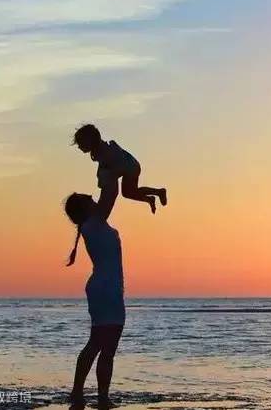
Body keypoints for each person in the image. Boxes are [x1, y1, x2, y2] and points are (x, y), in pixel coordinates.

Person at [64, 176, 124, 409]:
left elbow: (110, 194)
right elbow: (112, 193)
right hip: (107, 289)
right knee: (103, 346)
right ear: (85, 208)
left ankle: (84, 393)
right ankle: (96, 396)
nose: (93, 198)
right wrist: (112, 170)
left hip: (105, 288)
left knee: (98, 343)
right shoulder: (95, 223)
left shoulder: (93, 225)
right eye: (89, 198)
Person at [73, 123, 167, 213]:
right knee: (129, 192)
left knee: (128, 192)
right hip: (130, 165)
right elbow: (105, 168)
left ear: (89, 141)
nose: (79, 147)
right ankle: (152, 197)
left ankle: (158, 193)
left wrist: (103, 183)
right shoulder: (100, 150)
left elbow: (106, 168)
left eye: (80, 144)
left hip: (131, 168)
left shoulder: (103, 151)